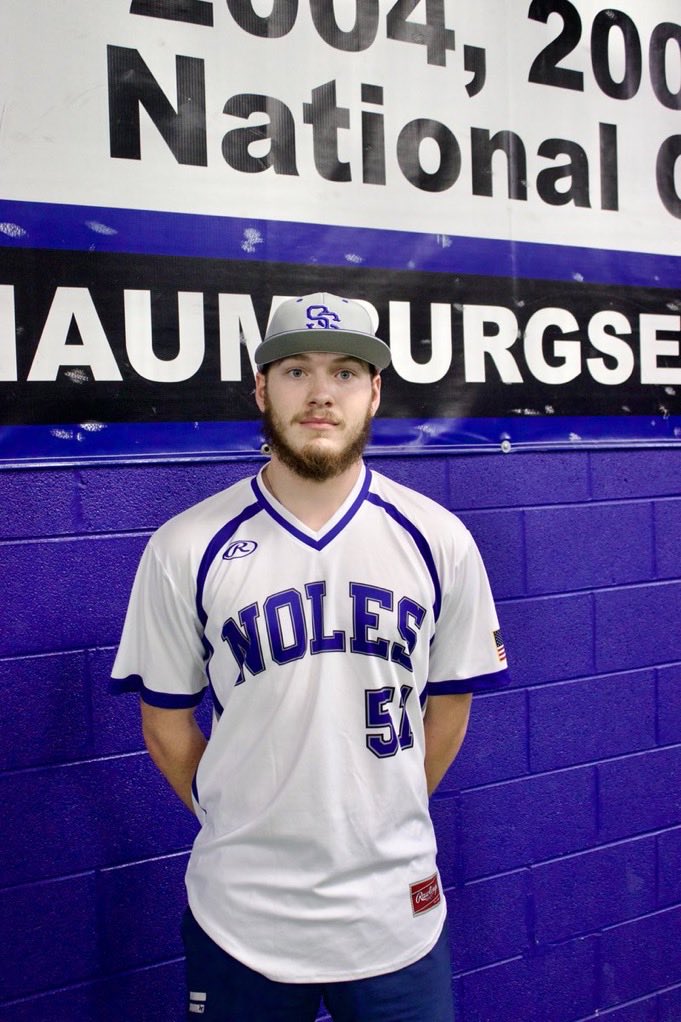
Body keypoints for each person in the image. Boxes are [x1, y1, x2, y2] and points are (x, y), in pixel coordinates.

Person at [111, 292, 510, 1022]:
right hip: (241, 917)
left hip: (394, 913)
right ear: (260, 388)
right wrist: (244, 816)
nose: (321, 392)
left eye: (346, 372)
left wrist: (372, 814)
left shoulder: (437, 538)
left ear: (374, 392)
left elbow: (448, 706)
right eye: (295, 369)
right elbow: (165, 727)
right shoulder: (185, 546)